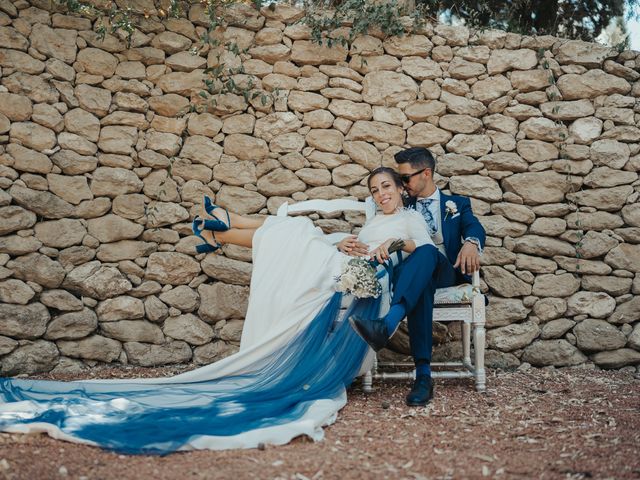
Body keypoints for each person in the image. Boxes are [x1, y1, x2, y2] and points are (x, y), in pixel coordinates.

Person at [0, 168, 432, 454]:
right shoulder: (373, 219)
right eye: (375, 190)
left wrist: (388, 247)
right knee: (298, 231)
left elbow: (421, 250)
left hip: (368, 280)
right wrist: (348, 242)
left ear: (400, 189)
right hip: (349, 264)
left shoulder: (411, 218)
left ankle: (223, 227)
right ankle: (223, 226)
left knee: (297, 233)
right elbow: (356, 243)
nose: (381, 194)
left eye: (386, 188)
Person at [342, 147, 485, 407]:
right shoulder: (398, 204)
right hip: (413, 274)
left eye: (405, 179)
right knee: (422, 277)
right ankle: (423, 376)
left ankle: (389, 323)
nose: (402, 184)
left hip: (446, 271)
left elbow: (473, 226)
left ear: (426, 173)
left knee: (428, 252)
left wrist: (472, 243)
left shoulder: (457, 204)